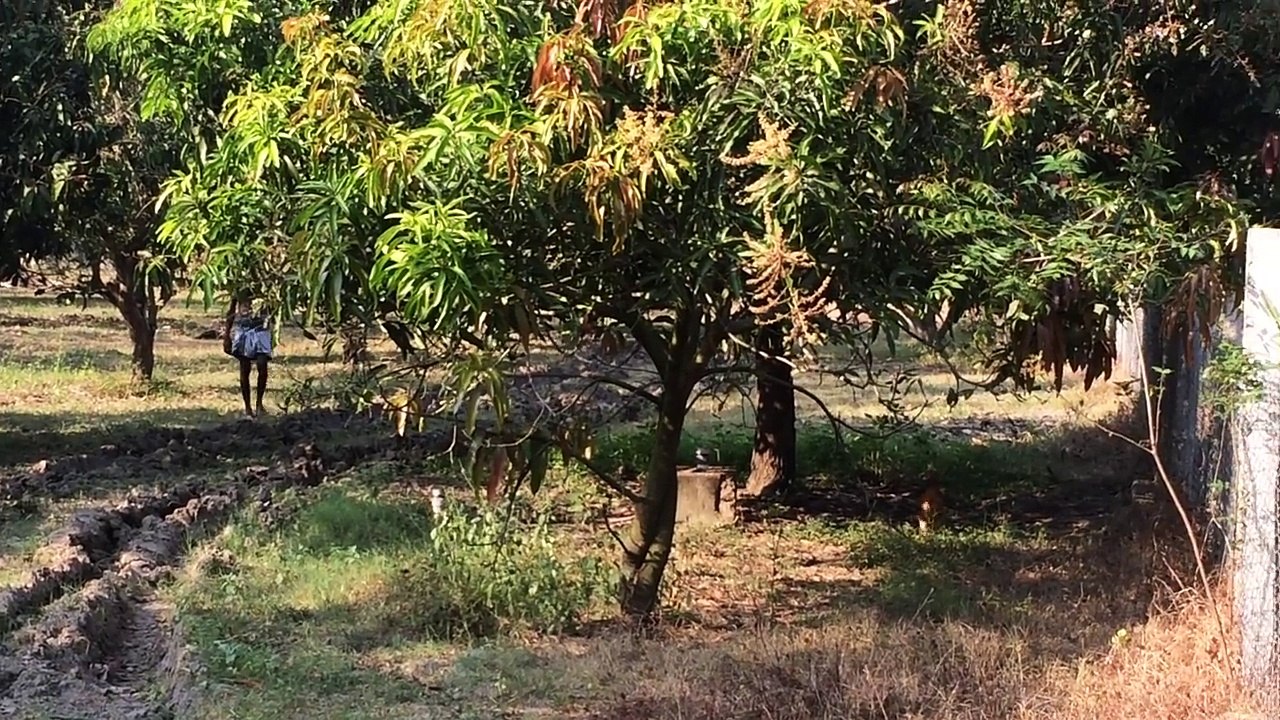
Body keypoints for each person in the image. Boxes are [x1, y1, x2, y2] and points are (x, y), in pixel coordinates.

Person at [223, 292, 273, 419]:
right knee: (245, 369)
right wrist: (227, 335)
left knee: (262, 365)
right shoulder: (240, 288)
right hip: (243, 329)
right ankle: (248, 407)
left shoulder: (266, 286)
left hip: (261, 328)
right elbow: (232, 310)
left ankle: (259, 403)